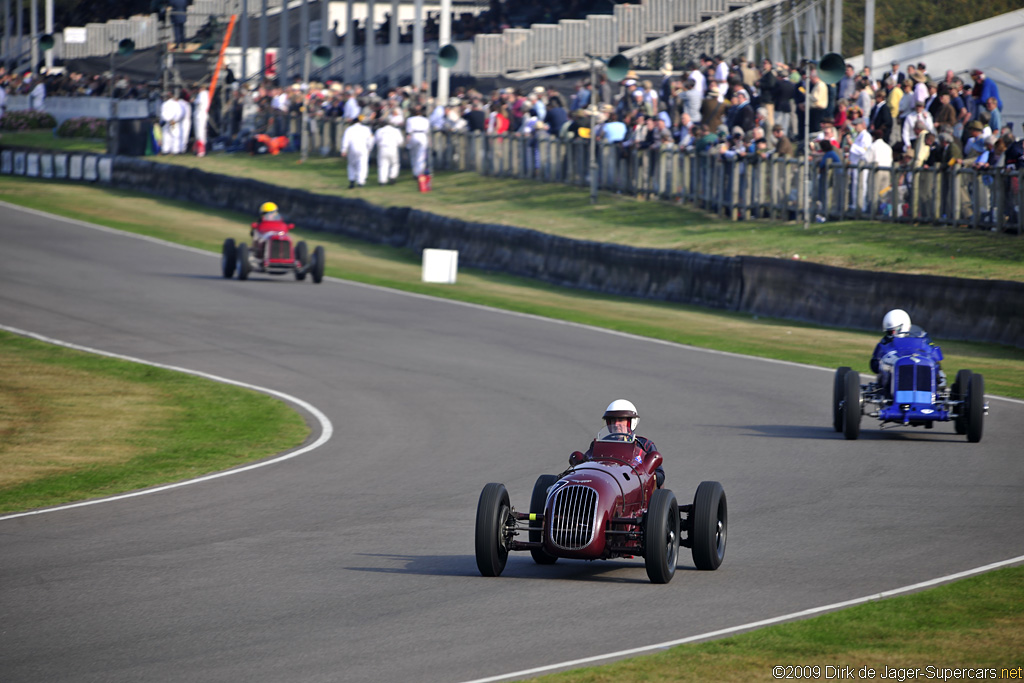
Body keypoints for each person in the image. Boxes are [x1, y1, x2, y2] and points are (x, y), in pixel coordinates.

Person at [570, 400, 665, 488]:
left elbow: (660, 476)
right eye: (612, 420)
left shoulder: (645, 445)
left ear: (631, 422)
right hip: (606, 487)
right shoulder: (599, 444)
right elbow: (587, 465)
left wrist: (643, 474)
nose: (616, 424)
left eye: (620, 420)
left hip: (634, 490)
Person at [870, 309, 945, 385]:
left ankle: (939, 380)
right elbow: (874, 364)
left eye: (893, 331)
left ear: (904, 326)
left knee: (934, 364)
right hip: (893, 376)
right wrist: (882, 364)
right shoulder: (886, 341)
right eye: (889, 332)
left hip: (921, 367)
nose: (891, 334)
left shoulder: (922, 338)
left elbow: (933, 353)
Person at [341, 114, 375, 188]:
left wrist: (344, 149)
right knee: (362, 165)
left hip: (352, 149)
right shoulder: (366, 129)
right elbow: (371, 140)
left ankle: (352, 180)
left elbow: (346, 140)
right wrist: (369, 148)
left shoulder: (349, 129)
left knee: (351, 165)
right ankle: (361, 181)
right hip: (363, 148)